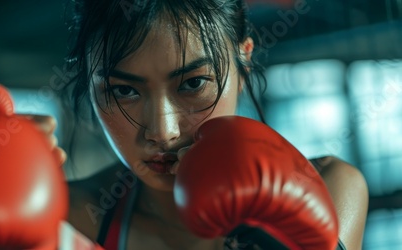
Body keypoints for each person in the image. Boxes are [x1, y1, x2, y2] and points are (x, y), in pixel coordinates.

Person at [36, 0, 369, 249]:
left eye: (193, 83)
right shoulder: (67, 217)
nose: (162, 131)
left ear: (244, 62)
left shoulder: (331, 187)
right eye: (124, 90)